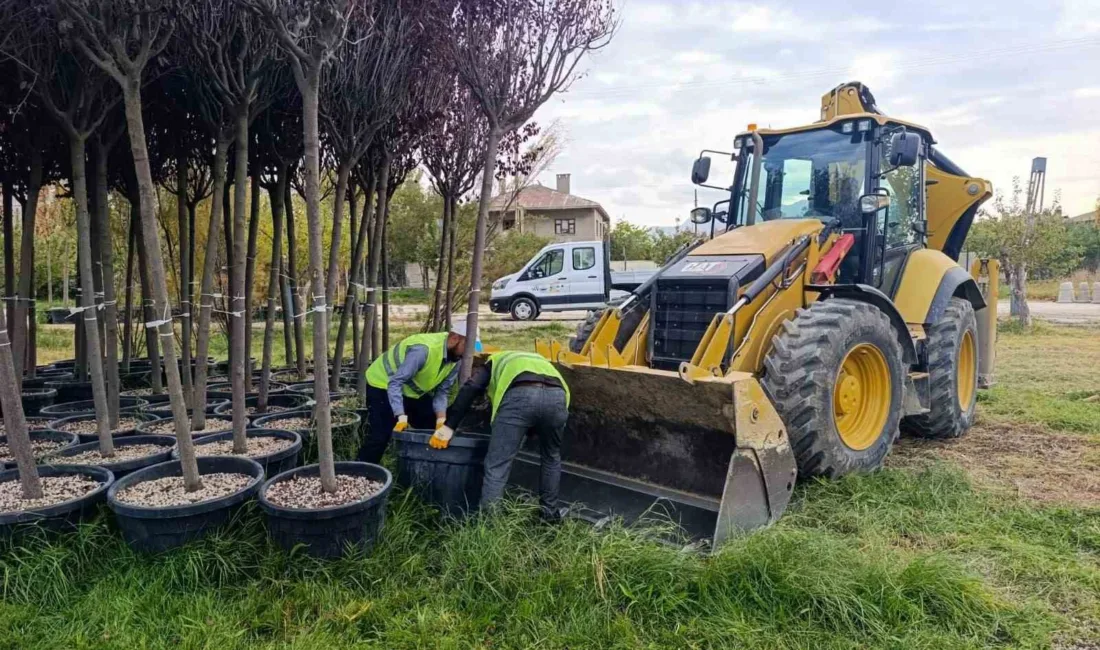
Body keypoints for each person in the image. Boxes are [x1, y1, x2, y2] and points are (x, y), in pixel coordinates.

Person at [433, 351, 570, 520]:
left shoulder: (494, 361)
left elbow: (472, 387)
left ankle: (489, 525)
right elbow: (543, 409)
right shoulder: (541, 362)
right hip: (558, 398)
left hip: (520, 396)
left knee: (497, 465)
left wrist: (449, 425)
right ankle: (549, 516)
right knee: (551, 457)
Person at [359, 323, 476, 464]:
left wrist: (440, 420)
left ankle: (426, 465)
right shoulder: (423, 350)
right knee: (380, 435)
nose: (469, 352)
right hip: (382, 384)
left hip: (411, 392)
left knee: (434, 426)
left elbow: (442, 391)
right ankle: (362, 472)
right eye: (467, 346)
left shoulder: (455, 359)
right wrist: (400, 415)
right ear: (455, 338)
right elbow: (395, 383)